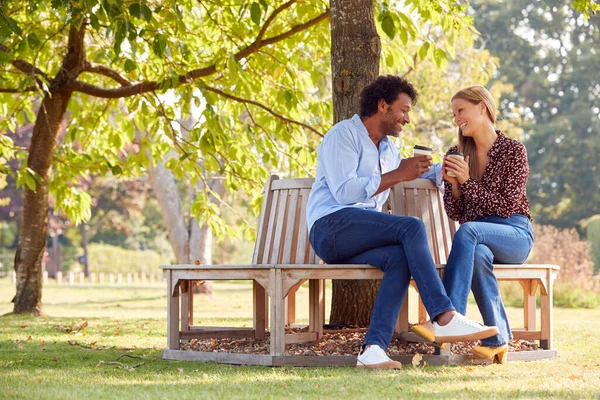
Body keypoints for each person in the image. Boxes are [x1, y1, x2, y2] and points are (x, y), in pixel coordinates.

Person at [306, 76, 498, 370]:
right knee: (410, 226)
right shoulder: (343, 135)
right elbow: (344, 191)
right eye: (404, 110)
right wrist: (399, 174)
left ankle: (372, 349)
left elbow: (410, 174)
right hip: (330, 227)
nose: (407, 119)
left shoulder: (388, 150)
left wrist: (440, 170)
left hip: (357, 237)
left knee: (399, 258)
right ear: (382, 106)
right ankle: (444, 316)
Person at [440, 85, 535, 364]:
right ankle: (497, 340)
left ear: (482, 107)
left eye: (461, 110)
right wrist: (456, 187)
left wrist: (469, 182)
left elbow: (506, 207)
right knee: (478, 252)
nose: (456, 118)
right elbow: (454, 211)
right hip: (478, 237)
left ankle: (449, 316)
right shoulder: (457, 152)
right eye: (454, 113)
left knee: (470, 231)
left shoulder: (514, 151)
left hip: (515, 233)